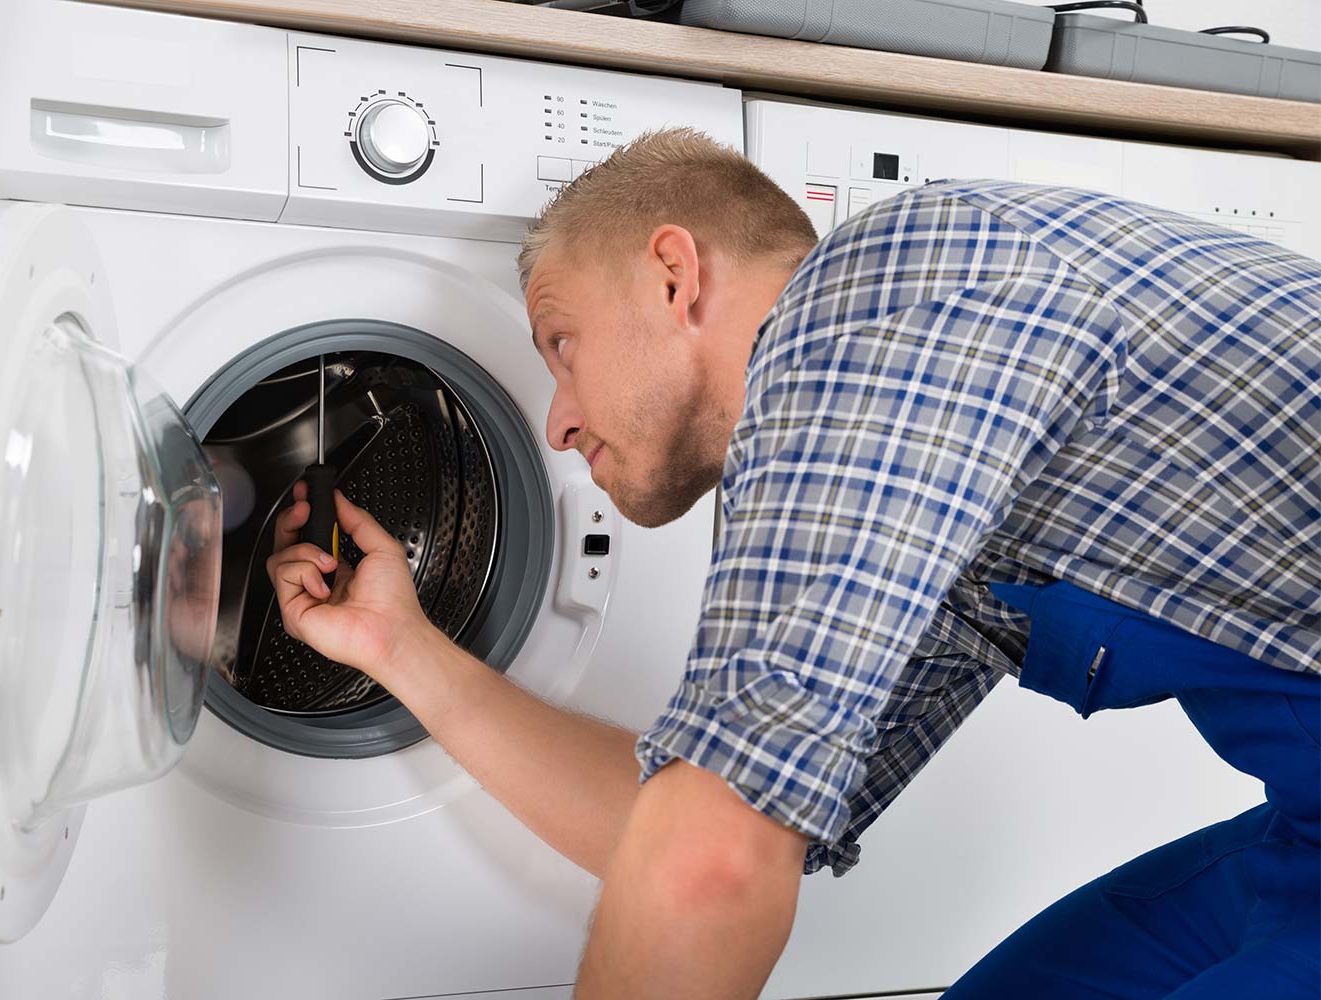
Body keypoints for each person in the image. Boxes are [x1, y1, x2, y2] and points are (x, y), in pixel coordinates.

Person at [265, 128, 1321, 999]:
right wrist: (399, 647)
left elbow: (715, 863)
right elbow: (705, 821)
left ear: (675, 275)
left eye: (561, 343)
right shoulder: (908, 465)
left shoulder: (886, 295)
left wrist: (706, 849)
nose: (556, 423)